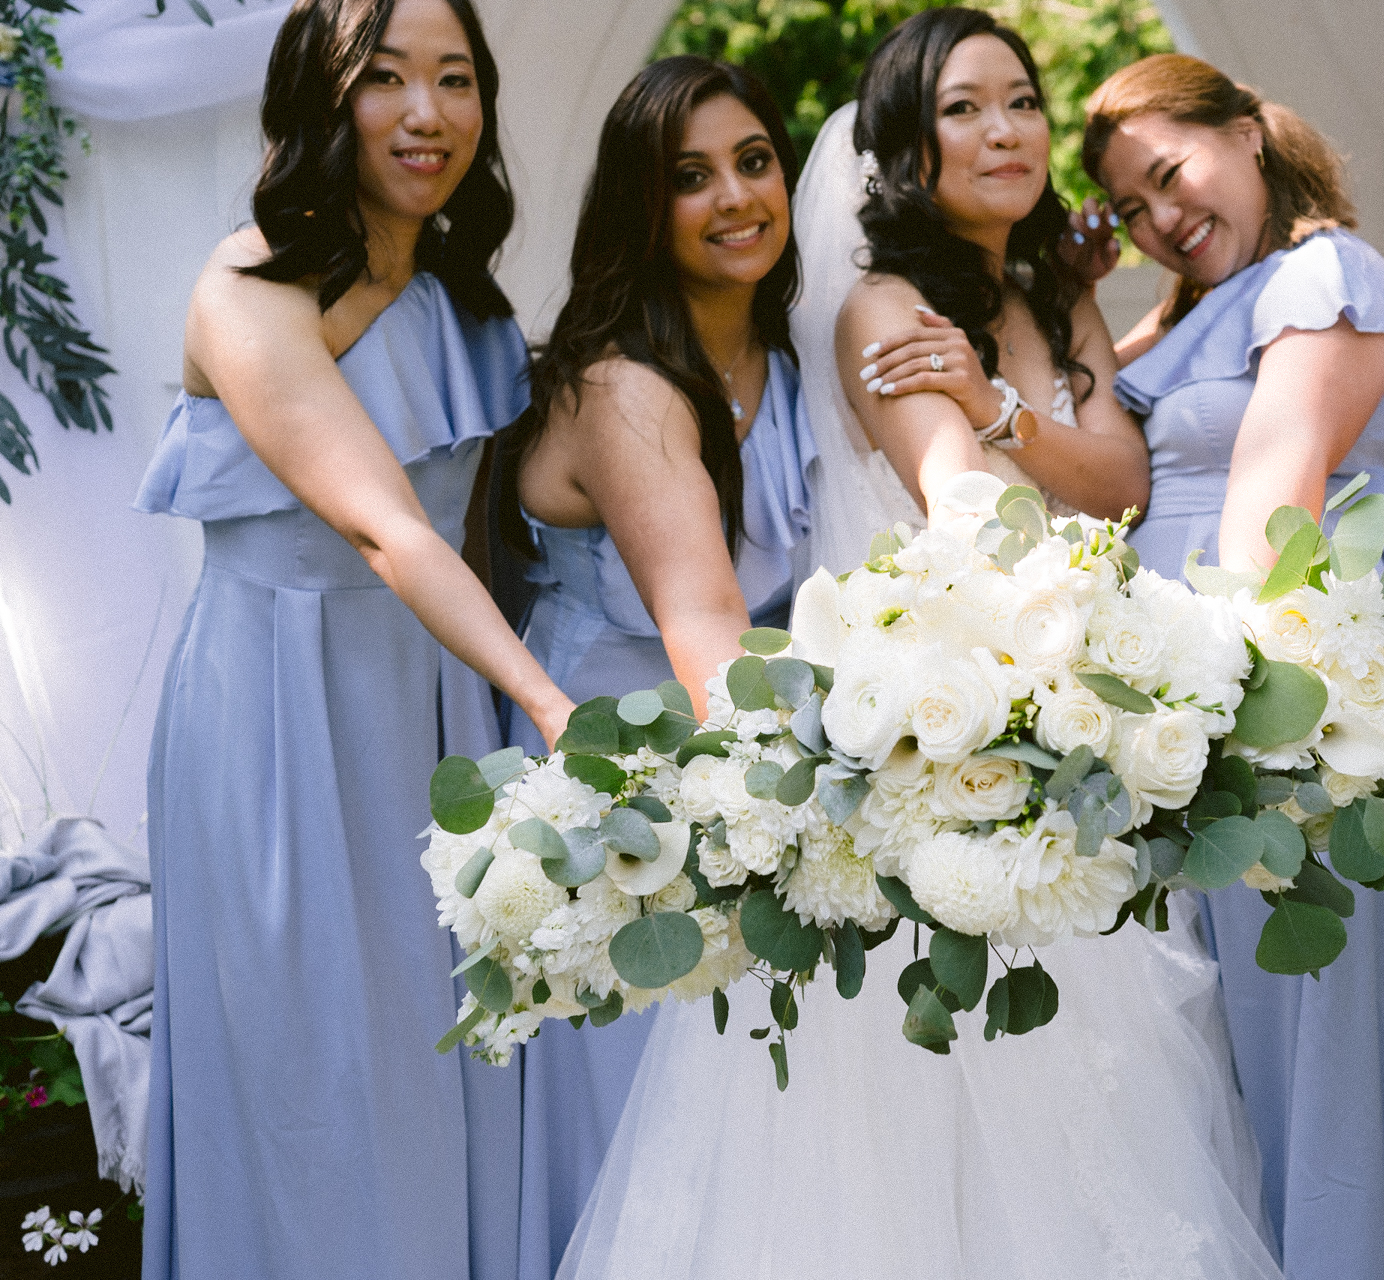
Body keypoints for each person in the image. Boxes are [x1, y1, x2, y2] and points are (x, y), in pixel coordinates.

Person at [555, 13, 1280, 1279]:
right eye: (963, 109)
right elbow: (966, 509)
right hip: (949, 735)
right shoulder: (885, 306)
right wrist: (1065, 600)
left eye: (1019, 102)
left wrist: (997, 400)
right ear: (904, 145)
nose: (1003, 129)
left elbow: (1117, 480)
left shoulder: (1051, 289)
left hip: (1050, 728)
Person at [133, 1, 572, 1276]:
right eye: (384, 80)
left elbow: (487, 532)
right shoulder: (248, 282)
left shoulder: (466, 297)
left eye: (454, 79)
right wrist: (552, 701)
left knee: (452, 1041)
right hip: (275, 711)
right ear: (320, 101)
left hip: (439, 700)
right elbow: (388, 529)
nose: (426, 113)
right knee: (307, 1060)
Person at [1076, 53, 1384, 1280]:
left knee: (1304, 1039)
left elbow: (1271, 495)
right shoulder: (1189, 311)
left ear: (1246, 132)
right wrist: (1079, 283)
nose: (1162, 218)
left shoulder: (1323, 274)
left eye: (1170, 174)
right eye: (1130, 209)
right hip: (1174, 714)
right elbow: (1100, 436)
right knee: (1202, 1040)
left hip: (1276, 702)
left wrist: (1216, 696)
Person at [492, 57, 814, 1279]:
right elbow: (703, 626)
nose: (736, 195)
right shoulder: (625, 385)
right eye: (691, 178)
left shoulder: (784, 360)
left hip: (729, 747)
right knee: (643, 1118)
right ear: (643, 203)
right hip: (610, 770)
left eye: (753, 161)